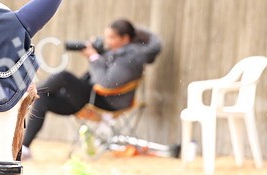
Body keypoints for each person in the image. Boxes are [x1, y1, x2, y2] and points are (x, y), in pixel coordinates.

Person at [21, 20, 162, 158]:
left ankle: (26, 93)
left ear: (125, 38)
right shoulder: (116, 52)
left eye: (111, 37)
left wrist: (94, 57)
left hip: (107, 102)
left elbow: (105, 83)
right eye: (106, 36)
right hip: (92, 97)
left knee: (63, 77)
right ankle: (25, 147)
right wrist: (99, 54)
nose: (106, 41)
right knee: (43, 99)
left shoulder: (130, 57)